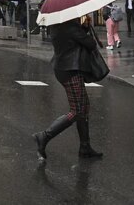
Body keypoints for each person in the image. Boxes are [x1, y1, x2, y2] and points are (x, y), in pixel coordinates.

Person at [32, 16, 103, 160]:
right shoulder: (70, 26)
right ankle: (44, 136)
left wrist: (82, 28)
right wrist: (86, 29)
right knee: (77, 110)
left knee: (83, 107)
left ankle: (85, 147)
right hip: (70, 69)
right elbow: (90, 44)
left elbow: (72, 40)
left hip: (63, 68)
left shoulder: (58, 25)